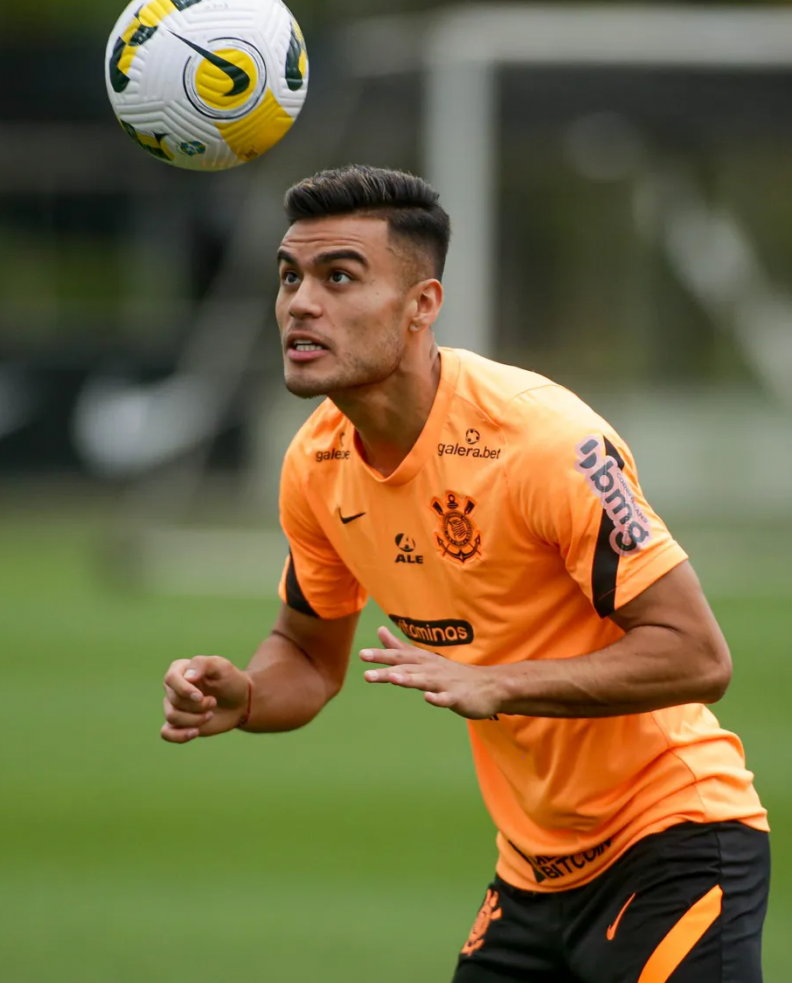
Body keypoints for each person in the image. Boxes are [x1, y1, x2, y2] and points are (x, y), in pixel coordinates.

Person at [160, 165, 769, 982]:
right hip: (531, 873)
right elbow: (305, 657)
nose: (301, 302)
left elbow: (699, 656)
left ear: (423, 306)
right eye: (290, 277)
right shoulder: (315, 462)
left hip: (675, 841)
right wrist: (244, 697)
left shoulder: (543, 443)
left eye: (340, 276)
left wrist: (502, 682)